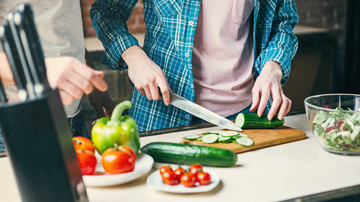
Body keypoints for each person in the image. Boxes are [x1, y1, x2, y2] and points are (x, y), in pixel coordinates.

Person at [90, 0, 298, 132]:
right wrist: (133, 55)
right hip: (164, 114)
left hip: (248, 114)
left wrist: (273, 66)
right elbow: (106, 11)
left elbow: (283, 23)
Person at [0, 0, 115, 152]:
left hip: (73, 116)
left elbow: (63, 26)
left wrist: (91, 80)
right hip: (22, 121)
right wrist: (40, 71)